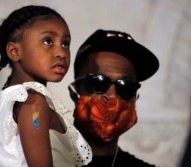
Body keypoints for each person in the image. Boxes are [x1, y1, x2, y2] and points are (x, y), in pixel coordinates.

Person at [0, 5, 92, 167]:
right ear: (14, 52)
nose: (61, 53)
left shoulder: (9, 100)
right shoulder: (33, 103)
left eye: (65, 43)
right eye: (48, 41)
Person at [68, 29, 159, 167]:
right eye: (98, 82)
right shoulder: (36, 160)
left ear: (135, 98)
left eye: (126, 87)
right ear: (75, 91)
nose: (112, 95)